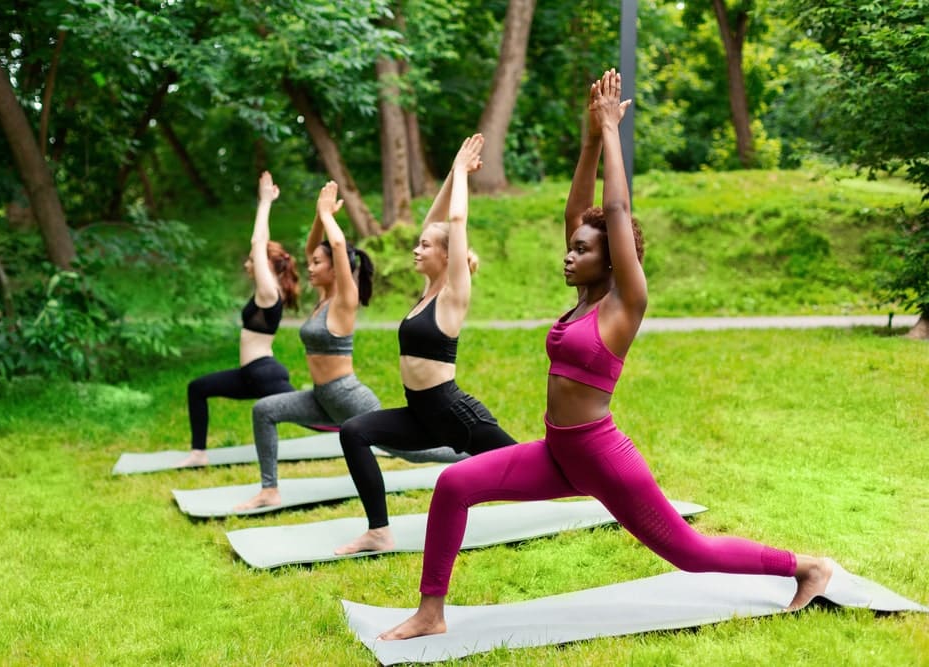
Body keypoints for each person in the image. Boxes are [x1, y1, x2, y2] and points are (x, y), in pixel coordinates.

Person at [379, 70, 833, 641]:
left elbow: (614, 209)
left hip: (601, 456)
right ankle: (431, 611)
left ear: (612, 259)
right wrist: (591, 138)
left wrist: (615, 130)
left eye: (582, 250)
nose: (569, 255)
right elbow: (581, 210)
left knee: (688, 553)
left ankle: (806, 567)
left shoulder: (626, 304)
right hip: (558, 450)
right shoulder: (582, 297)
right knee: (454, 486)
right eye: (571, 248)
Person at [335, 134, 517, 555]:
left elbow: (454, 224)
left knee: (531, 467)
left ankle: (598, 484)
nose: (416, 249)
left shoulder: (454, 293)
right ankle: (378, 530)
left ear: (446, 255)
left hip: (454, 414)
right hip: (420, 415)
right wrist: (451, 175)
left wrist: (459, 176)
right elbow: (436, 222)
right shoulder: (427, 291)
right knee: (354, 432)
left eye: (424, 246)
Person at [234, 180, 381, 509]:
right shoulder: (322, 299)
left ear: (335, 269)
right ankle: (269, 490)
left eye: (317, 263)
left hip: (348, 396)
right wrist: (319, 214)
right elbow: (316, 244)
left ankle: (478, 453)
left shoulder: (344, 299)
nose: (309, 267)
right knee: (264, 410)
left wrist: (329, 216)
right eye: (311, 262)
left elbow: (338, 244)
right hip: (321, 397)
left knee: (412, 451)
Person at [175, 172, 300, 468]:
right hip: (250, 374)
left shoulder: (269, 291)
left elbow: (259, 242)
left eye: (252, 259)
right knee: (198, 388)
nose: (248, 263)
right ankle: (198, 453)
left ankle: (368, 433)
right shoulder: (270, 290)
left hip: (264, 373)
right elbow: (262, 243)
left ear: (267, 266)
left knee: (316, 416)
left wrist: (265, 201)